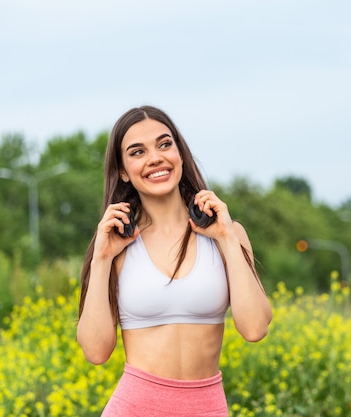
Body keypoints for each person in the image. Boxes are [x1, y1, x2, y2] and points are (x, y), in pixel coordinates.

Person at [76, 105, 272, 416]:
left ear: (180, 154)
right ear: (123, 171)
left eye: (164, 144)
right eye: (137, 152)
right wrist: (101, 259)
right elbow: (95, 350)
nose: (155, 158)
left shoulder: (228, 234)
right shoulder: (115, 245)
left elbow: (255, 328)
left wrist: (226, 238)